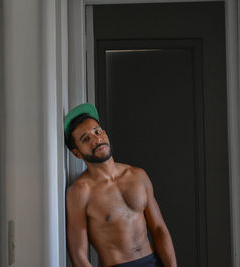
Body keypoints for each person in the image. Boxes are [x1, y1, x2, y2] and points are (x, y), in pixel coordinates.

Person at [64, 103, 177, 267]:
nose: (97, 139)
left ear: (105, 133)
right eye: (86, 139)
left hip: (153, 261)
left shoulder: (138, 175)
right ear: (77, 153)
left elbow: (159, 229)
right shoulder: (80, 191)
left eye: (97, 131)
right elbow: (78, 255)